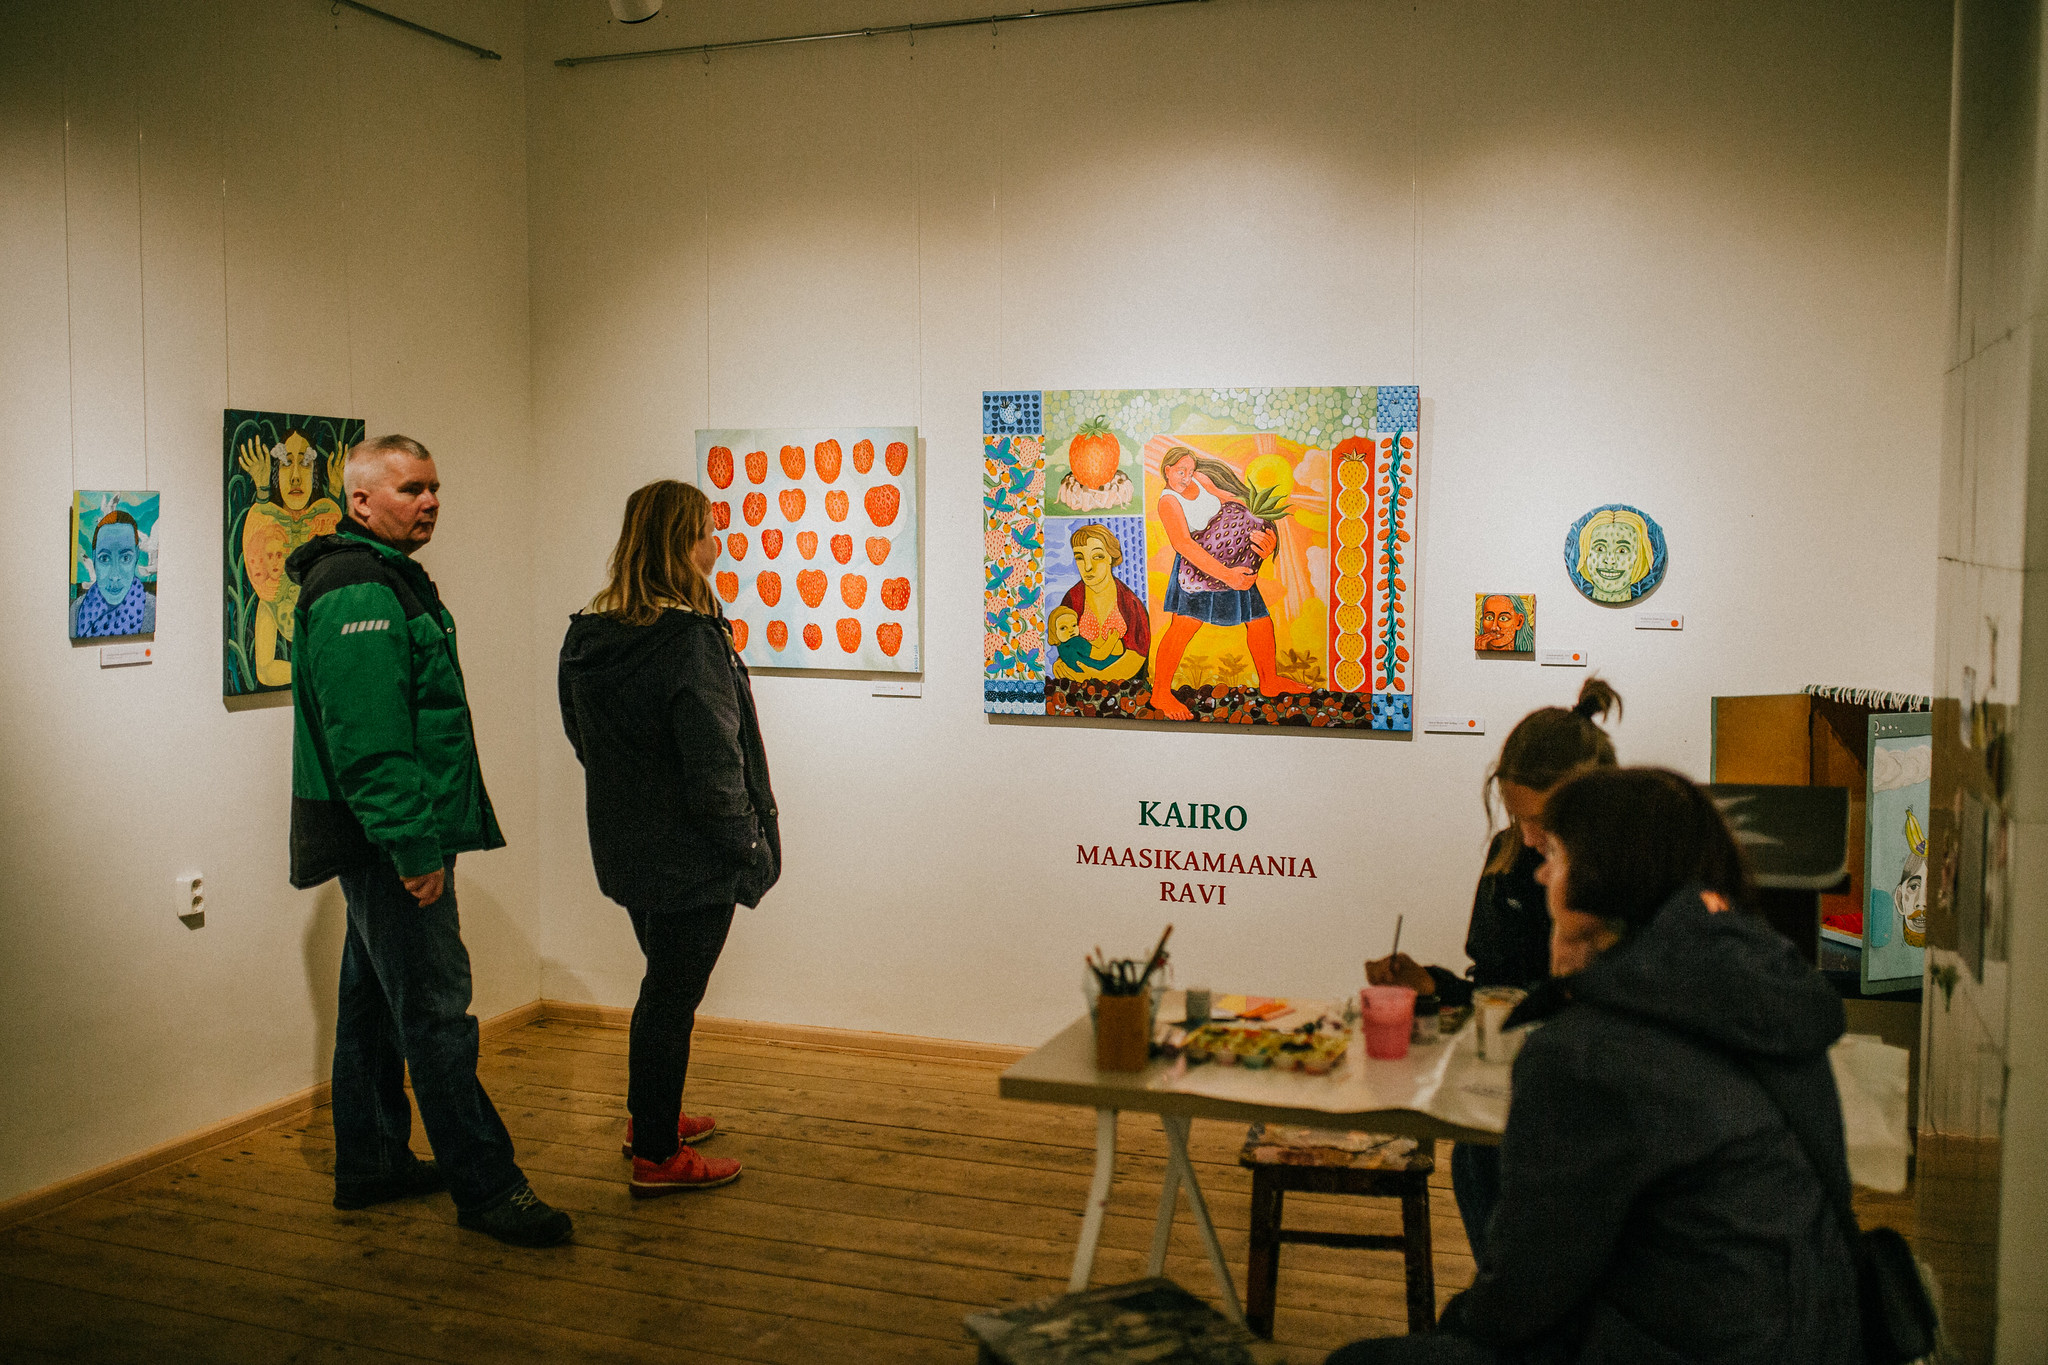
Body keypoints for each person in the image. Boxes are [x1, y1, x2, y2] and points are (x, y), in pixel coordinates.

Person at [1330, 768, 1859, 1365]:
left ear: (1605, 876)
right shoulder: (1762, 991)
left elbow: (1524, 1290)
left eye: (1555, 853)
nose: (1541, 873)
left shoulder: (1586, 1056)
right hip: (1810, 1332)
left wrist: (1449, 1334)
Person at [287, 434, 571, 1247]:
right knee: (438, 1014)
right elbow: (371, 741)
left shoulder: (381, 579)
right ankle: (489, 1186)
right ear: (362, 501)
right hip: (389, 841)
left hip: (387, 836)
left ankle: (373, 1159)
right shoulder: (356, 591)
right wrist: (414, 846)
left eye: (436, 487)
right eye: (412, 488)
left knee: (372, 1004)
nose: (431, 501)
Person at [558, 479, 779, 1197]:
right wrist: (748, 847)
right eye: (709, 530)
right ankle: (655, 1149)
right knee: (669, 996)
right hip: (692, 857)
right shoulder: (689, 641)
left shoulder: (588, 636)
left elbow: (581, 737)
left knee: (665, 986)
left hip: (626, 849)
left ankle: (653, 1117)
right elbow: (716, 763)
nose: (717, 542)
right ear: (686, 544)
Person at [1369, 678, 1620, 1258]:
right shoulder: (1512, 852)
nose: (1530, 839)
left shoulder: (1620, 880)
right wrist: (1435, 985)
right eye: (1516, 816)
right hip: (1503, 1087)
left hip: (1571, 1103)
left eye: (1544, 821)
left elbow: (1594, 1002)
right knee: (1479, 1171)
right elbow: (1498, 981)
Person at [1148, 445, 1307, 718]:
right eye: (1181, 471)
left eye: (1190, 470)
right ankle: (1160, 693)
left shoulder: (1202, 480)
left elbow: (1237, 503)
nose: (1187, 476)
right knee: (1183, 626)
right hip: (1196, 567)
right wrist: (1228, 576)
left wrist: (1264, 537)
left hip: (1230, 554)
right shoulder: (1168, 502)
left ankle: (1269, 681)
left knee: (1259, 620)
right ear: (1167, 471)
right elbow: (1184, 544)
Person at [1053, 523, 1148, 682]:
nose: (1088, 567)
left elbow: (1138, 655)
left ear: (1111, 557)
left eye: (1097, 556)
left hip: (1123, 684)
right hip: (1079, 684)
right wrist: (1061, 663)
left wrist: (1099, 677)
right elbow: (1066, 644)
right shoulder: (1072, 598)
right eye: (1079, 557)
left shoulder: (1129, 603)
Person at [71, 508, 156, 638]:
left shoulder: (152, 609)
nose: (115, 576)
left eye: (125, 558)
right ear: (94, 559)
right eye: (104, 559)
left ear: (136, 557)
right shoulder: (76, 610)